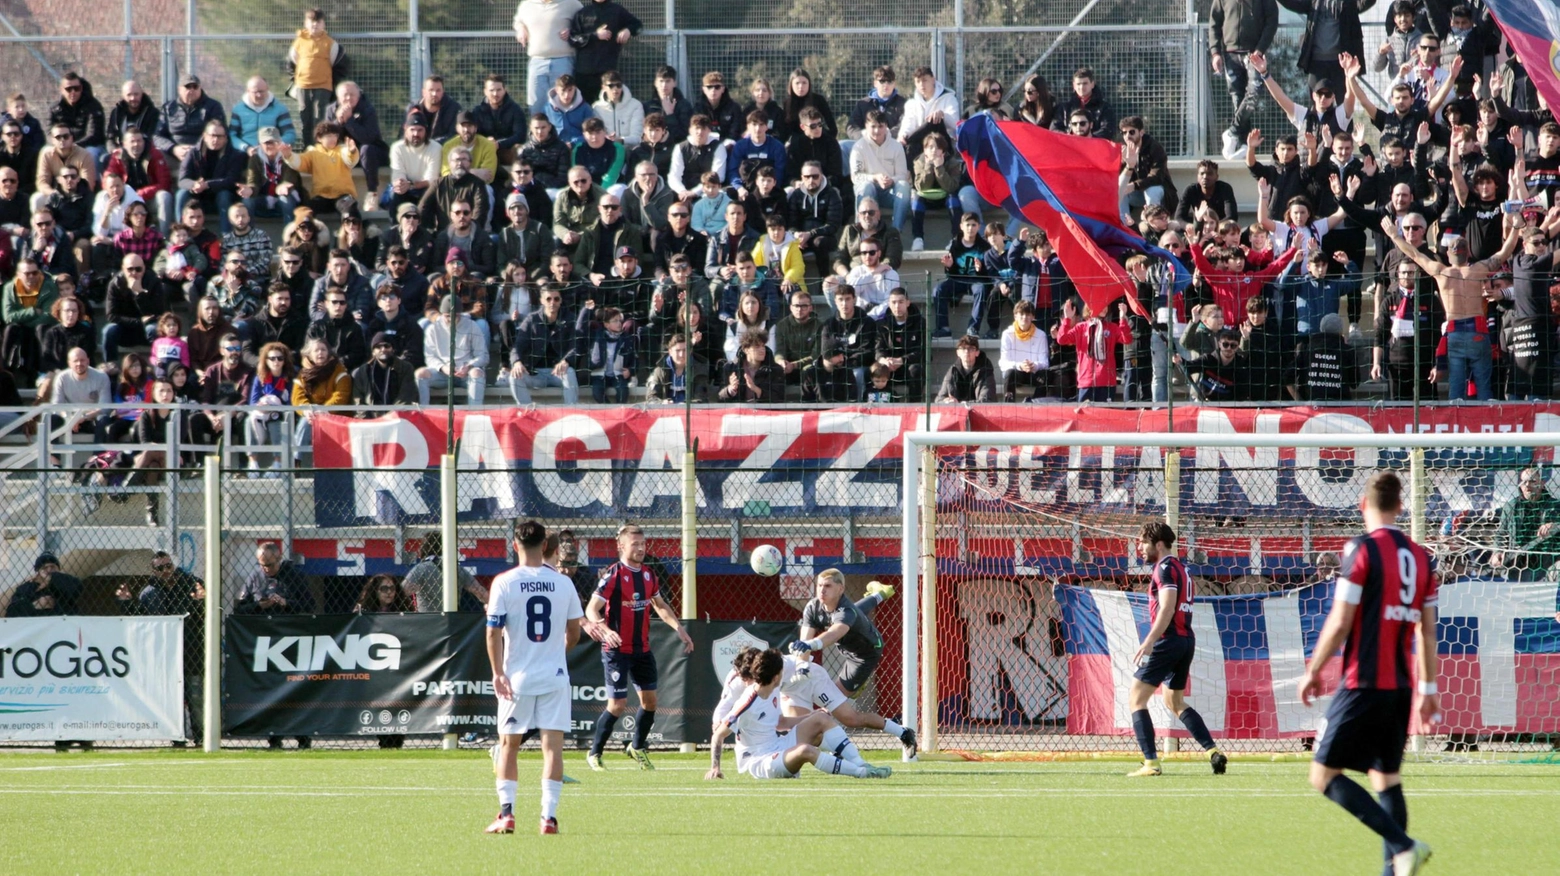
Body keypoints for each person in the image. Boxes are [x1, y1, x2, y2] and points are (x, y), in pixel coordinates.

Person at [1297, 471, 1437, 876]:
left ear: (1363, 505)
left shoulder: (1360, 550)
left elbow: (1341, 621)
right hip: (1402, 687)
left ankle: (1404, 845)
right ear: (1400, 507)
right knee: (1386, 779)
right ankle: (1396, 867)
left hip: (1363, 683)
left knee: (1322, 774)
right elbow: (1426, 631)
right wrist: (1429, 689)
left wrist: (1314, 669)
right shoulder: (1423, 557)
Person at [485, 520, 587, 835]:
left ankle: (507, 814)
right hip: (554, 676)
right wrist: (556, 653)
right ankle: (549, 818)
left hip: (517, 677)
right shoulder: (563, 583)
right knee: (552, 747)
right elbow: (574, 632)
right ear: (546, 546)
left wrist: (497, 672)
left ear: (515, 545)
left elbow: (493, 632)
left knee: (508, 745)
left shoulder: (504, 582)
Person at [582, 524, 693, 771]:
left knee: (651, 701)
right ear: (621, 546)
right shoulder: (613, 574)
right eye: (635, 544)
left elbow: (660, 604)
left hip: (641, 649)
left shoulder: (648, 575)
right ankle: (595, 753)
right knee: (617, 705)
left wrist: (679, 628)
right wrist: (605, 629)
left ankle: (637, 747)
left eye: (643, 544)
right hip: (616, 650)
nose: (641, 548)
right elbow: (592, 608)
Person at [1124, 521, 1229, 777]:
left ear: (1158, 544)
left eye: (1143, 542)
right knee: (1175, 701)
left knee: (1137, 699)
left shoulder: (1164, 569)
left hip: (1168, 641)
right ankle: (1212, 752)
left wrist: (1149, 641)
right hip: (1185, 641)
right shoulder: (1182, 568)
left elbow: (1168, 608)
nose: (1139, 547)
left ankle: (1151, 763)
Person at [1383, 214, 1518, 401]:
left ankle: (1457, 425)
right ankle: (1487, 425)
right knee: (1484, 386)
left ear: (1448, 255)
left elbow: (1414, 254)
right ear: (1468, 253)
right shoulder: (1479, 269)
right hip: (1478, 329)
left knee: (1456, 386)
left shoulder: (1441, 272)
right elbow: (1504, 252)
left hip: (1455, 331)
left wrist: (1394, 235)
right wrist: (1517, 228)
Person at [707, 648, 891, 782]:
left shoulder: (772, 689)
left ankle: (862, 764)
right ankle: (862, 773)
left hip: (778, 745)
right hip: (760, 761)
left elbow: (780, 722)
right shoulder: (746, 703)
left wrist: (811, 716)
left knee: (821, 719)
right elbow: (718, 735)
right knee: (805, 750)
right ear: (777, 676)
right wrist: (715, 767)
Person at [790, 568, 896, 697]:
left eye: (828, 586)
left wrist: (810, 645)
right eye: (819, 585)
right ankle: (880, 593)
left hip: (864, 653)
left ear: (840, 589)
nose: (822, 590)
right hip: (847, 641)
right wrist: (802, 667)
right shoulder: (812, 607)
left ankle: (861, 684)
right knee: (856, 612)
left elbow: (834, 634)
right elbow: (805, 641)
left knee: (834, 701)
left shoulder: (847, 611)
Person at [1209, 0, 1279, 160]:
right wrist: (1215, 53)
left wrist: (1260, 49)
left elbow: (1271, 22)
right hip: (1230, 53)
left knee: (1253, 95)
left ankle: (1232, 133)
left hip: (1254, 53)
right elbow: (1214, 23)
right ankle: (1243, 145)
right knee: (1237, 99)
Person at [508, 284, 580, 404]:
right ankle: (527, 412)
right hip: (535, 373)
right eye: (548, 299)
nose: (553, 302)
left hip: (559, 372)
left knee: (570, 372)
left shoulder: (571, 319)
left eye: (556, 299)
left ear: (561, 300)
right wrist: (517, 362)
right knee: (514, 375)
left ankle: (571, 411)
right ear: (542, 300)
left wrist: (566, 361)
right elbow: (518, 346)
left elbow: (577, 345)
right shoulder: (531, 319)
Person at [1491, 467, 1560, 581]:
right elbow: (1500, 534)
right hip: (1517, 566)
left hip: (1548, 565)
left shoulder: (1556, 506)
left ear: (1542, 484)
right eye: (1524, 481)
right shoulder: (1511, 507)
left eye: (1533, 481)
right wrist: (1497, 551)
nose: (1528, 485)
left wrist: (1555, 526)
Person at [417, 295, 487, 405]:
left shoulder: (472, 326)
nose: (451, 319)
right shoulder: (432, 329)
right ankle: (424, 413)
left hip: (466, 373)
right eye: (447, 316)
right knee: (420, 374)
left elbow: (483, 356)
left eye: (455, 316)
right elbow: (430, 357)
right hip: (443, 374)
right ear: (441, 314)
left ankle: (474, 413)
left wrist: (469, 366)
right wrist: (443, 367)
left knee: (477, 373)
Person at [849, 111, 910, 232]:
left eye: (880, 126)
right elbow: (856, 177)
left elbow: (902, 175)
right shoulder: (859, 147)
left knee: (904, 186)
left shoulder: (896, 146)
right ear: (866, 126)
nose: (877, 131)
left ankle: (895, 232)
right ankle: (862, 233)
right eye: (873, 126)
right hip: (868, 190)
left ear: (886, 126)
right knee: (866, 186)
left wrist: (891, 180)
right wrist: (875, 178)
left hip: (889, 192)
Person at [155, 75, 226, 166]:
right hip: (173, 153)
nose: (192, 90)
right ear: (179, 89)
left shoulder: (213, 106)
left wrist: (196, 149)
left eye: (195, 87)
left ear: (200, 88)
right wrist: (174, 149)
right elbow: (157, 136)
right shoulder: (168, 108)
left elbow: (220, 133)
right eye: (188, 87)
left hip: (203, 153)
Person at [998, 300, 1049, 402]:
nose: (1024, 317)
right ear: (1015, 316)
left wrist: (1034, 365)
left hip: (1033, 373)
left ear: (1033, 317)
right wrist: (1020, 365)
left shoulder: (1041, 335)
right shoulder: (1007, 334)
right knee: (1008, 373)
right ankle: (1009, 406)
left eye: (1028, 314)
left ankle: (1035, 404)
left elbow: (1045, 363)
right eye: (1021, 314)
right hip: (1017, 372)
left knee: (1046, 375)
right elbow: (1003, 363)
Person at [4, 553, 81, 617]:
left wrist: (52, 579)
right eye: (45, 568)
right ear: (38, 572)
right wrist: (35, 605)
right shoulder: (26, 588)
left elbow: (78, 588)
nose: (49, 570)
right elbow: (12, 612)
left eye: (52, 567)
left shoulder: (67, 582)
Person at [718, 330, 784, 402]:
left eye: (763, 346)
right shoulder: (731, 368)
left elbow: (778, 397)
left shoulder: (775, 369)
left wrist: (756, 389)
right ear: (746, 350)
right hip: (738, 411)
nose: (762, 349)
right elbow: (720, 397)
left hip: (765, 411)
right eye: (757, 346)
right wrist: (731, 389)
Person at [847, 66, 906, 140]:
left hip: (892, 144)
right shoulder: (863, 104)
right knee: (843, 146)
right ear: (875, 83)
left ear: (894, 84)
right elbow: (852, 126)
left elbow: (904, 125)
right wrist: (863, 137)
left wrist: (884, 136)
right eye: (882, 81)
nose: (886, 84)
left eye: (890, 81)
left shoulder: (904, 104)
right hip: (866, 143)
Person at [407, 76, 461, 145]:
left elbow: (454, 135)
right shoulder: (413, 108)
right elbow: (404, 134)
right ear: (424, 92)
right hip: (417, 148)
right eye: (431, 90)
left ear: (443, 92)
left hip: (442, 150)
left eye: (438, 90)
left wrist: (430, 145)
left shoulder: (453, 108)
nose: (434, 94)